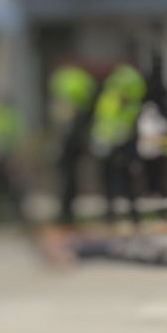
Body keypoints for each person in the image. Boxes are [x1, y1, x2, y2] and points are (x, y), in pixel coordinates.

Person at [39, 226, 167, 274]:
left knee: (161, 250)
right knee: (156, 254)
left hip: (121, 242)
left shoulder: (77, 237)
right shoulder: (74, 248)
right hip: (117, 250)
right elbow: (63, 261)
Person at [90, 64, 145, 223]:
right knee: (109, 181)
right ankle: (111, 214)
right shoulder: (109, 100)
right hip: (108, 145)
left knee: (126, 181)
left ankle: (132, 215)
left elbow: (129, 126)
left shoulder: (128, 105)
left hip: (122, 146)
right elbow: (102, 122)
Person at [48, 65, 97, 224]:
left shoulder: (69, 108)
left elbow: (63, 129)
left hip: (70, 146)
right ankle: (67, 211)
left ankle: (66, 212)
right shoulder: (81, 105)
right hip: (74, 146)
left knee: (67, 178)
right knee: (70, 178)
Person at [136, 101, 167, 197]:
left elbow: (166, 130)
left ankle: (157, 191)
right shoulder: (141, 121)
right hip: (145, 152)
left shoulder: (160, 121)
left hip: (157, 152)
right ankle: (148, 191)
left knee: (157, 174)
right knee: (146, 174)